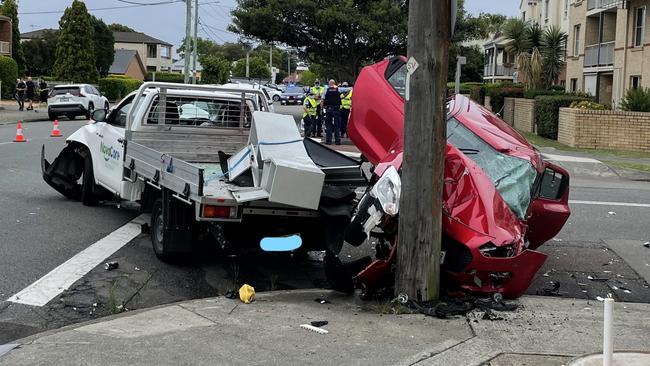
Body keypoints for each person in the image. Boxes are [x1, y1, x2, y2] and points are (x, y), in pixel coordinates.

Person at [321, 79, 342, 145]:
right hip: (336, 109)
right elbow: (348, 90)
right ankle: (337, 141)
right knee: (337, 125)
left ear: (329, 84)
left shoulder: (326, 90)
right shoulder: (338, 89)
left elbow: (322, 100)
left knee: (328, 125)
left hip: (329, 109)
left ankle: (328, 141)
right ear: (334, 83)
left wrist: (321, 109)